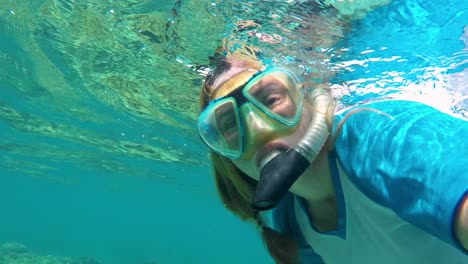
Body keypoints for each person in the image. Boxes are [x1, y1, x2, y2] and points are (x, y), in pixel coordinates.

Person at [196, 53, 468, 263]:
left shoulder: (382, 138)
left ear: (310, 98)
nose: (257, 129)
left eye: (270, 99)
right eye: (230, 125)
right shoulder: (286, 218)